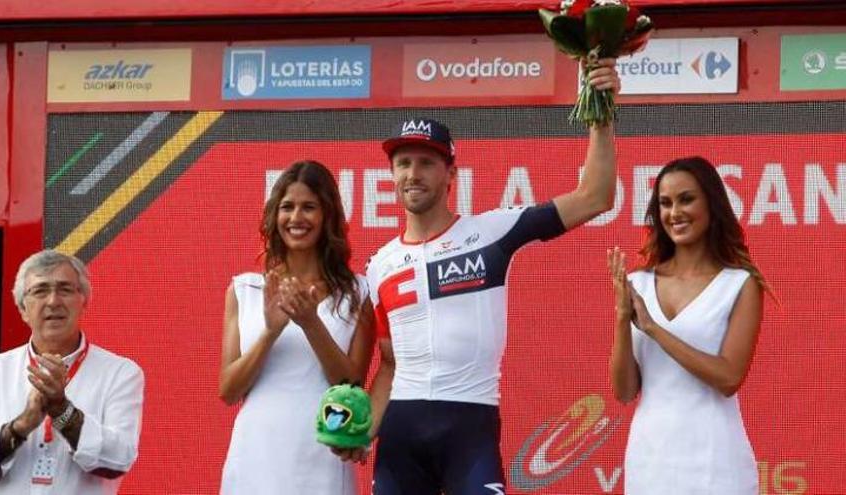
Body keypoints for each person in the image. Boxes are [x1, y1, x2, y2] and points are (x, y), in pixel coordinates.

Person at [334, 59, 621, 493]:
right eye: (403, 163)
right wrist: (366, 429)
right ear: (391, 174)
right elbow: (389, 363)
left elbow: (595, 196)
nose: (413, 174)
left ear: (451, 174)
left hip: (469, 426)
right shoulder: (380, 265)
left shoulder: (491, 231)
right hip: (402, 434)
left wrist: (601, 111)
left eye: (427, 163)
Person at [607, 156, 768, 494]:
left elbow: (728, 377)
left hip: (716, 462)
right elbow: (624, 392)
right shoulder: (638, 283)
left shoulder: (740, 284)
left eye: (686, 199)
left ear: (712, 204)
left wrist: (652, 328)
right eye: (665, 203)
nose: (674, 213)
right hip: (649, 461)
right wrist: (623, 320)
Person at [218, 160, 375, 494]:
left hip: (324, 454)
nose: (296, 218)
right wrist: (270, 332)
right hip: (256, 455)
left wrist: (310, 323)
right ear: (275, 216)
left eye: (309, 207)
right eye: (287, 207)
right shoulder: (244, 290)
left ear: (328, 215)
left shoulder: (358, 292)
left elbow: (351, 386)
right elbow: (229, 391)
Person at [0, 249, 144, 494]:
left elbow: (118, 459)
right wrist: (21, 425)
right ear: (22, 309)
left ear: (84, 302)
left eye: (65, 289)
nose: (53, 301)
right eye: (40, 291)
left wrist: (62, 410)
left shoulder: (120, 373)